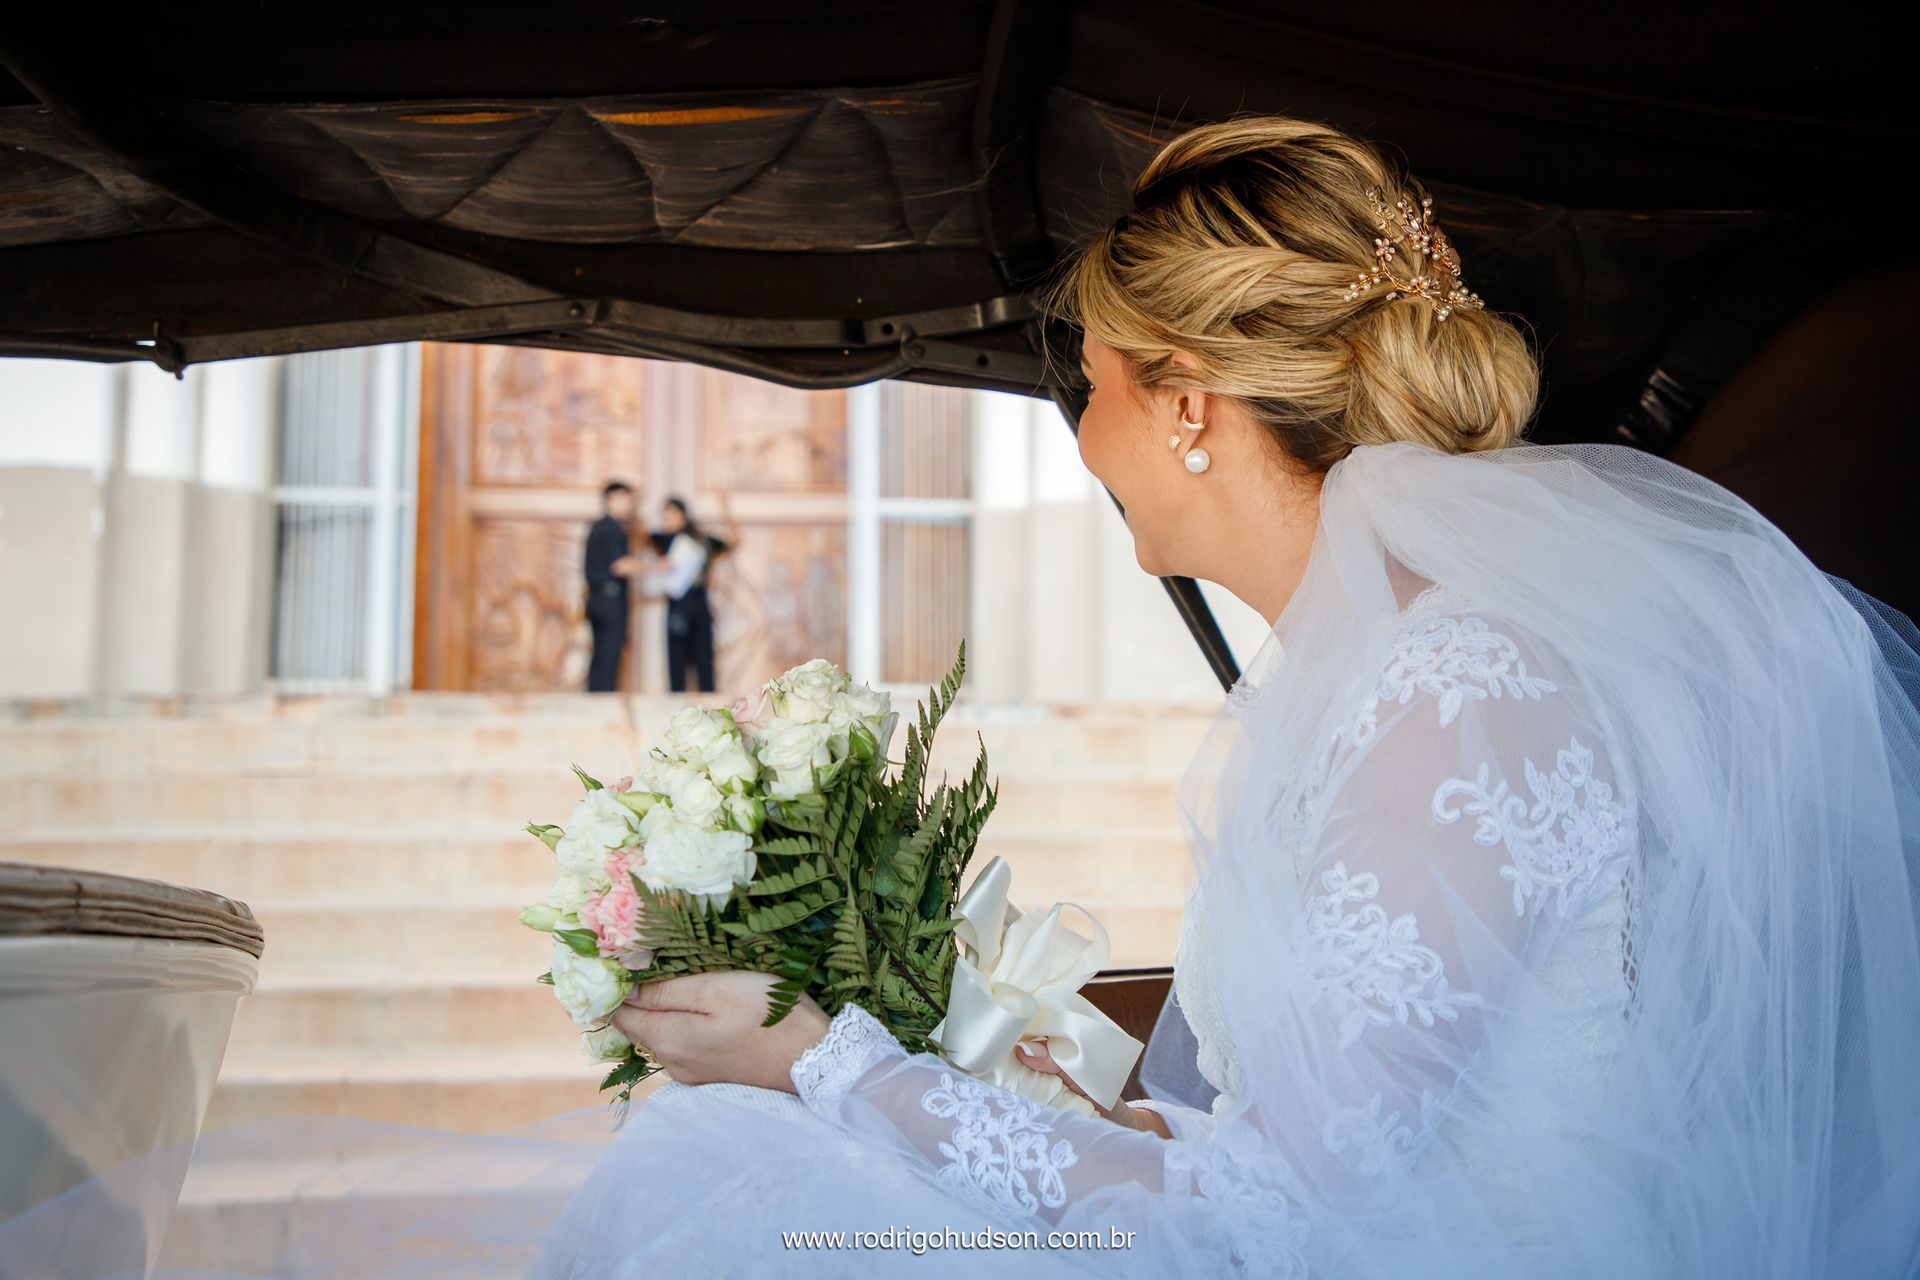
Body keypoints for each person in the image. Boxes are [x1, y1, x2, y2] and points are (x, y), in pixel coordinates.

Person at [9, 116, 1918, 1278]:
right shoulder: (1374, 667)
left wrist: (820, 1056)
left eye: (1087, 380)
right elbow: (1319, 1132)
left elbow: (1280, 1227)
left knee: (741, 1175)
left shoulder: (1457, 694)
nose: (1077, 430)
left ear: (1188, 401)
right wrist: (996, 1081)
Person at [643, 496, 731, 694]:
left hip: (698, 603)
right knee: (676, 658)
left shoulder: (701, 540)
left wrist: (726, 513)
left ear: (683, 516)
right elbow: (642, 536)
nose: (668, 521)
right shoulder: (663, 539)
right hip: (677, 604)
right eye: (664, 517)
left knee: (703, 656)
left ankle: (710, 702)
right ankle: (676, 702)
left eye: (672, 515)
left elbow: (730, 542)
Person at [583, 481, 642, 693]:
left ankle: (594, 702)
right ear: (612, 499)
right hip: (609, 600)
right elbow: (619, 566)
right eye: (627, 499)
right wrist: (652, 567)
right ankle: (602, 706)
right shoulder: (611, 528)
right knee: (609, 656)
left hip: (597, 600)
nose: (630, 505)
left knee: (600, 655)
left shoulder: (599, 526)